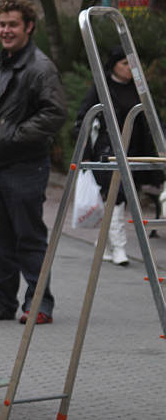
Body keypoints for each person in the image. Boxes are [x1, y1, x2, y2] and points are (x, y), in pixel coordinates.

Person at [0, 0, 67, 325]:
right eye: (3, 24)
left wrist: (13, 136)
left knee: (29, 237)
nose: (6, 30)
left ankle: (39, 303)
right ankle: (3, 303)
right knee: (1, 240)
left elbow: (55, 113)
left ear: (29, 27)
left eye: (13, 24)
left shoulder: (39, 67)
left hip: (24, 165)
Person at [73, 46, 161, 266]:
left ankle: (104, 244)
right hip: (107, 152)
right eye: (124, 63)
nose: (129, 68)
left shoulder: (138, 89)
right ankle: (119, 247)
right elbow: (83, 117)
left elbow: (150, 118)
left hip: (134, 152)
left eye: (131, 64)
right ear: (113, 65)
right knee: (117, 197)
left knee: (121, 197)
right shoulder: (101, 88)